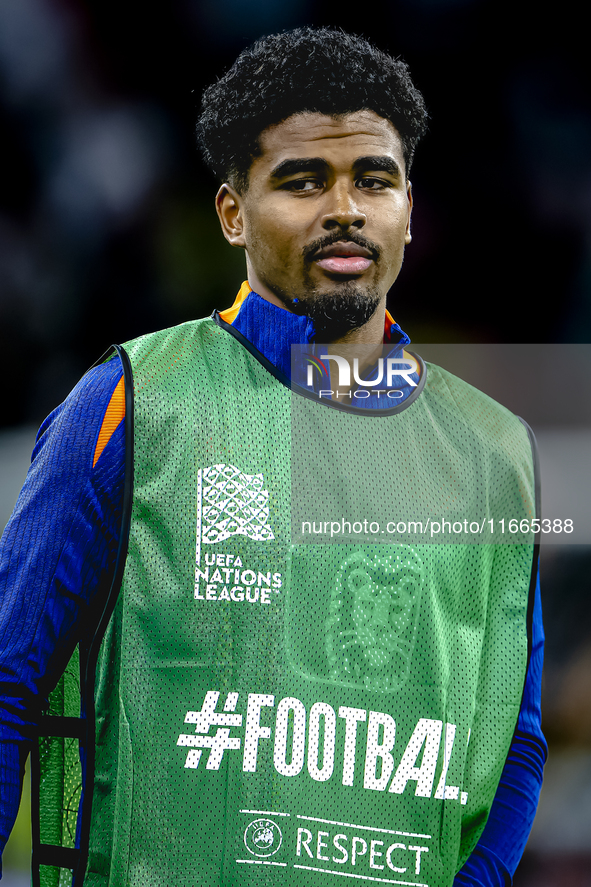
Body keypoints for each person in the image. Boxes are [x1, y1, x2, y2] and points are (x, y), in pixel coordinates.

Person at [0, 26, 546, 887]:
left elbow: (510, 742)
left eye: (374, 178)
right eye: (301, 180)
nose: (344, 209)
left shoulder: (493, 455)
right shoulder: (129, 404)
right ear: (231, 213)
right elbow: (7, 682)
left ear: (409, 206)